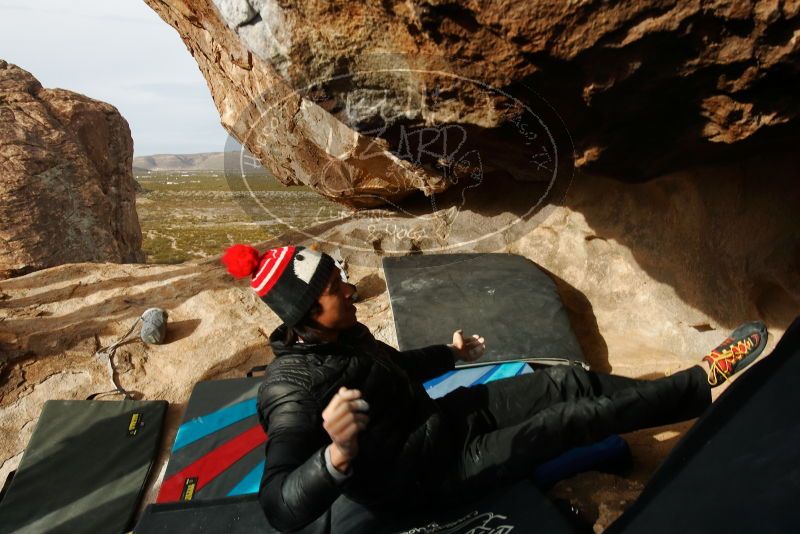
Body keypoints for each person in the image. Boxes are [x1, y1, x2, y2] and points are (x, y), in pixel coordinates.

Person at [221, 244, 768, 533]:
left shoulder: (345, 333)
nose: (348, 287)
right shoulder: (289, 390)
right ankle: (700, 382)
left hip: (442, 423)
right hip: (433, 477)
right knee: (565, 423)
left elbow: (394, 371)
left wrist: (450, 354)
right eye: (335, 286)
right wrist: (336, 454)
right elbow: (279, 507)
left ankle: (682, 392)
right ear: (308, 310)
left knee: (567, 381)